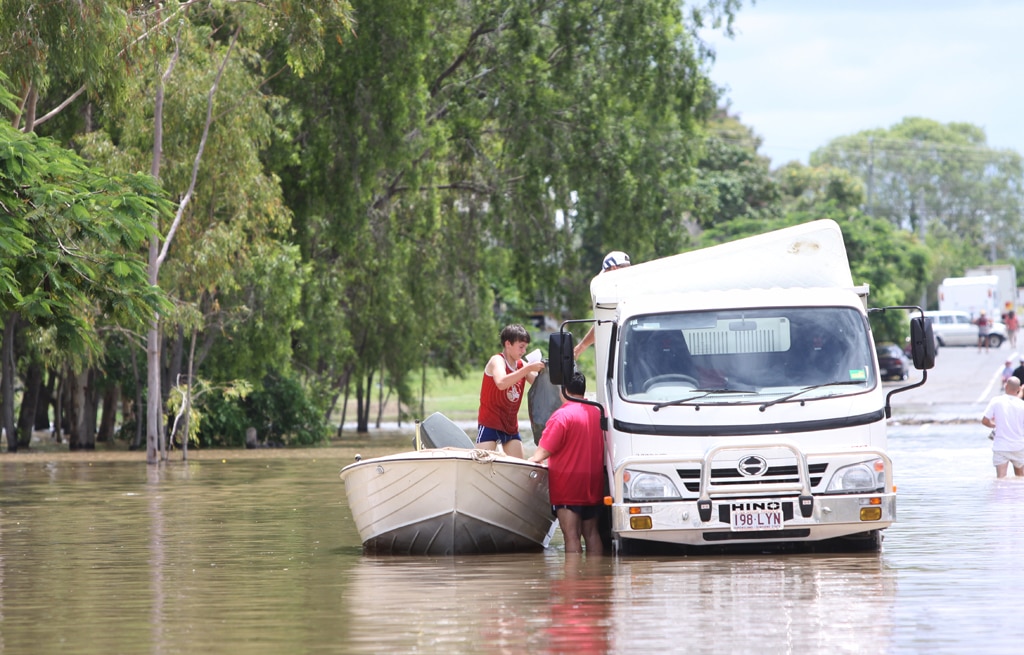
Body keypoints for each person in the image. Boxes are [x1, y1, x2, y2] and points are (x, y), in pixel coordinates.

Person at [528, 370, 605, 555]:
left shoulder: (561, 416)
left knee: (571, 536)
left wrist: (530, 460)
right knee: (592, 534)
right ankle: (597, 579)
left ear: (563, 390)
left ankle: (572, 582)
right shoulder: (596, 413)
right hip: (593, 483)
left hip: (568, 484)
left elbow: (543, 451)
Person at [477, 324, 546, 458]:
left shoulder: (521, 365)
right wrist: (527, 369)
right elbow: (501, 383)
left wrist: (545, 371)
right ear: (508, 344)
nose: (524, 351)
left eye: (525, 347)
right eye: (521, 347)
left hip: (510, 427)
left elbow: (538, 384)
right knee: (480, 465)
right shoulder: (497, 360)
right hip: (490, 423)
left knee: (519, 468)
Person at [573, 251, 630, 359]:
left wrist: (581, 347)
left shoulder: (618, 292)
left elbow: (604, 322)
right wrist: (581, 346)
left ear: (613, 268)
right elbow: (604, 322)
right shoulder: (638, 285)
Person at [982, 376, 1024, 478]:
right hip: (1019, 446)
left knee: (1001, 479)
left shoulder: (996, 401)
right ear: (1018, 389)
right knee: (1021, 479)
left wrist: (995, 425)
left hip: (1001, 446)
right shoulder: (1022, 404)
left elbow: (985, 421)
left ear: (1005, 386)